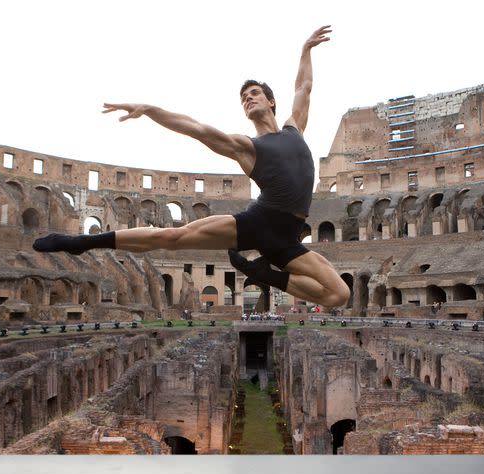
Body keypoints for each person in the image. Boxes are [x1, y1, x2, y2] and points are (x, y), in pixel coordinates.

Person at [33, 25, 349, 308]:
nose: (248, 99)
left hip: (288, 239)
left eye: (254, 94)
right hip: (260, 222)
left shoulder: (294, 128)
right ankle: (80, 243)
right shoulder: (246, 147)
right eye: (243, 98)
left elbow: (303, 88)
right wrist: (150, 109)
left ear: (271, 102)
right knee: (172, 237)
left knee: (338, 295)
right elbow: (194, 128)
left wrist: (305, 50)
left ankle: (262, 274)